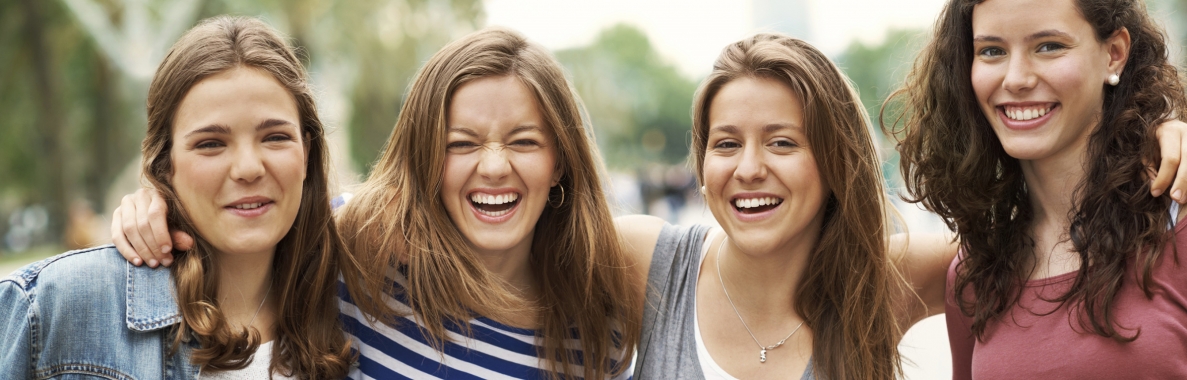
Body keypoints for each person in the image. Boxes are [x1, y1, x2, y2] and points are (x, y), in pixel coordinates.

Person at [113, 27, 641, 379]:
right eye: (460, 143)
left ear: (561, 162)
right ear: (424, 161)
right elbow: (256, 210)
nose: (495, 166)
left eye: (525, 141)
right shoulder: (359, 256)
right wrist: (156, 204)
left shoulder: (597, 337)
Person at [0, 16, 360, 379]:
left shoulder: (364, 308)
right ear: (165, 166)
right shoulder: (55, 305)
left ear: (306, 155)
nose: (249, 168)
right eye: (211, 144)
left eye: (275, 137)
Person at [889, 0, 1187, 378]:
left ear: (1114, 54)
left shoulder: (1178, 221)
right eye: (992, 51)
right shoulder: (976, 271)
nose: (1015, 78)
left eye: (1049, 46)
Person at [620, 33, 910, 380]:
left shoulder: (882, 276)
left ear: (837, 163)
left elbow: (988, 252)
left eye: (782, 143)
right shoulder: (651, 262)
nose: (749, 170)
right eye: (727, 144)